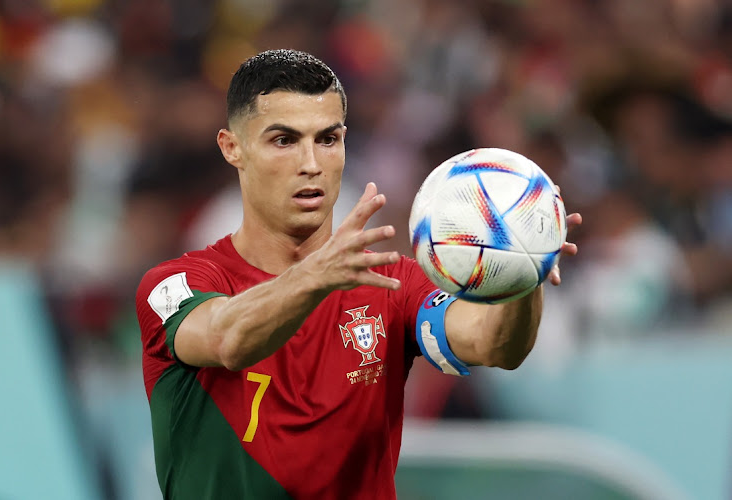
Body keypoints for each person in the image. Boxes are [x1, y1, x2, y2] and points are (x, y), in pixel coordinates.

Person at [135, 49, 581, 500]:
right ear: (233, 147)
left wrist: (522, 269)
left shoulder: (390, 284)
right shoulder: (174, 285)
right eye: (284, 140)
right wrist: (314, 275)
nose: (311, 163)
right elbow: (226, 339)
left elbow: (493, 344)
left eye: (328, 139)